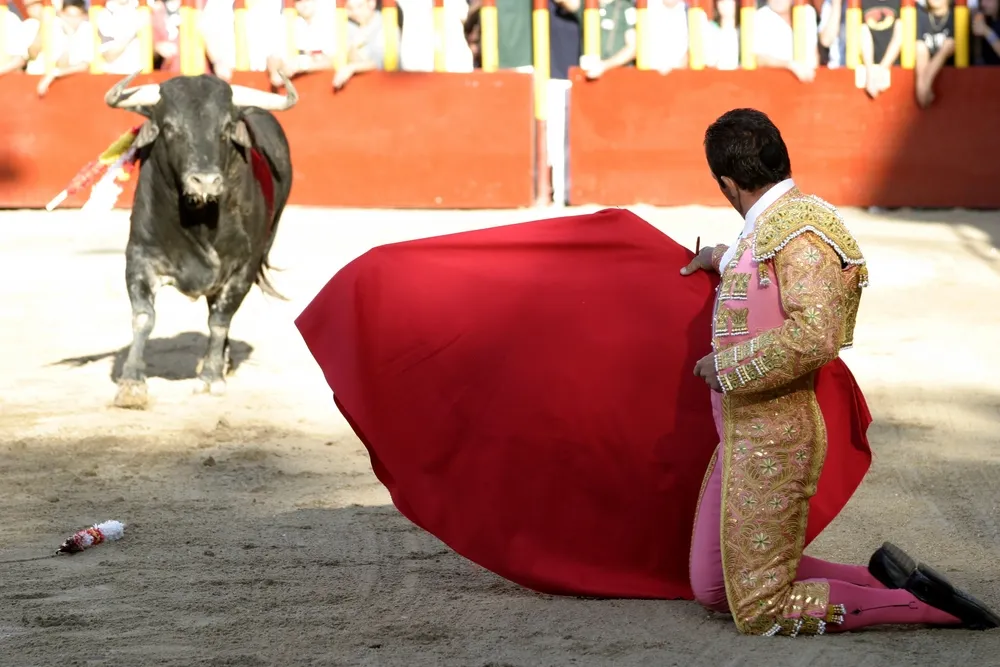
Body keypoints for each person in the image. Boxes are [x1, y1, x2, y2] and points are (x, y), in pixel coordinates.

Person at [678, 107, 999, 635]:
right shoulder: (775, 225)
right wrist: (718, 256)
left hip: (775, 441)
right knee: (716, 587)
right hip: (740, 433)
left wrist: (729, 365)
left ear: (728, 184)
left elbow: (816, 334)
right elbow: (755, 261)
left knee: (760, 610)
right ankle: (879, 581)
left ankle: (926, 607)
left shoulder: (801, 232)